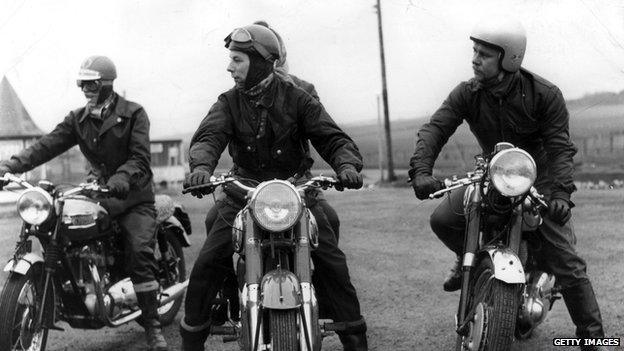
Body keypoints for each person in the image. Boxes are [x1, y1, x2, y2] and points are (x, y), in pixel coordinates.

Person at [408, 18, 605, 350]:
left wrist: (560, 193)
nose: (475, 59)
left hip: (536, 180)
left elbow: (559, 148)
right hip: (492, 176)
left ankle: (594, 337)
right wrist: (421, 170)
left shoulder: (544, 94)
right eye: (475, 51)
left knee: (567, 262)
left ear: (509, 58)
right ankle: (465, 255)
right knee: (442, 219)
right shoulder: (466, 93)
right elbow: (435, 129)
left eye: (485, 54)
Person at [179, 24, 368, 351]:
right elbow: (209, 137)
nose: (229, 67)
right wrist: (200, 168)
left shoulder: (299, 96)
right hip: (244, 193)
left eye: (237, 60)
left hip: (296, 192)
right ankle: (193, 339)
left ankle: (354, 338)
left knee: (332, 259)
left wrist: (346, 164)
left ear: (260, 61)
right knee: (208, 259)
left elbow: (331, 136)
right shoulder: (228, 102)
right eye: (230, 59)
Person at [0, 56, 168, 351]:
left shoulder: (134, 114)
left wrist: (122, 178)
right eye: (81, 83)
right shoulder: (77, 119)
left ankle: (153, 326)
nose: (85, 89)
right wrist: (11, 166)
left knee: (140, 252)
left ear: (106, 84)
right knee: (59, 227)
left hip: (131, 196)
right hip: (97, 192)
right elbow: (47, 145)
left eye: (91, 83)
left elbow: (140, 157)